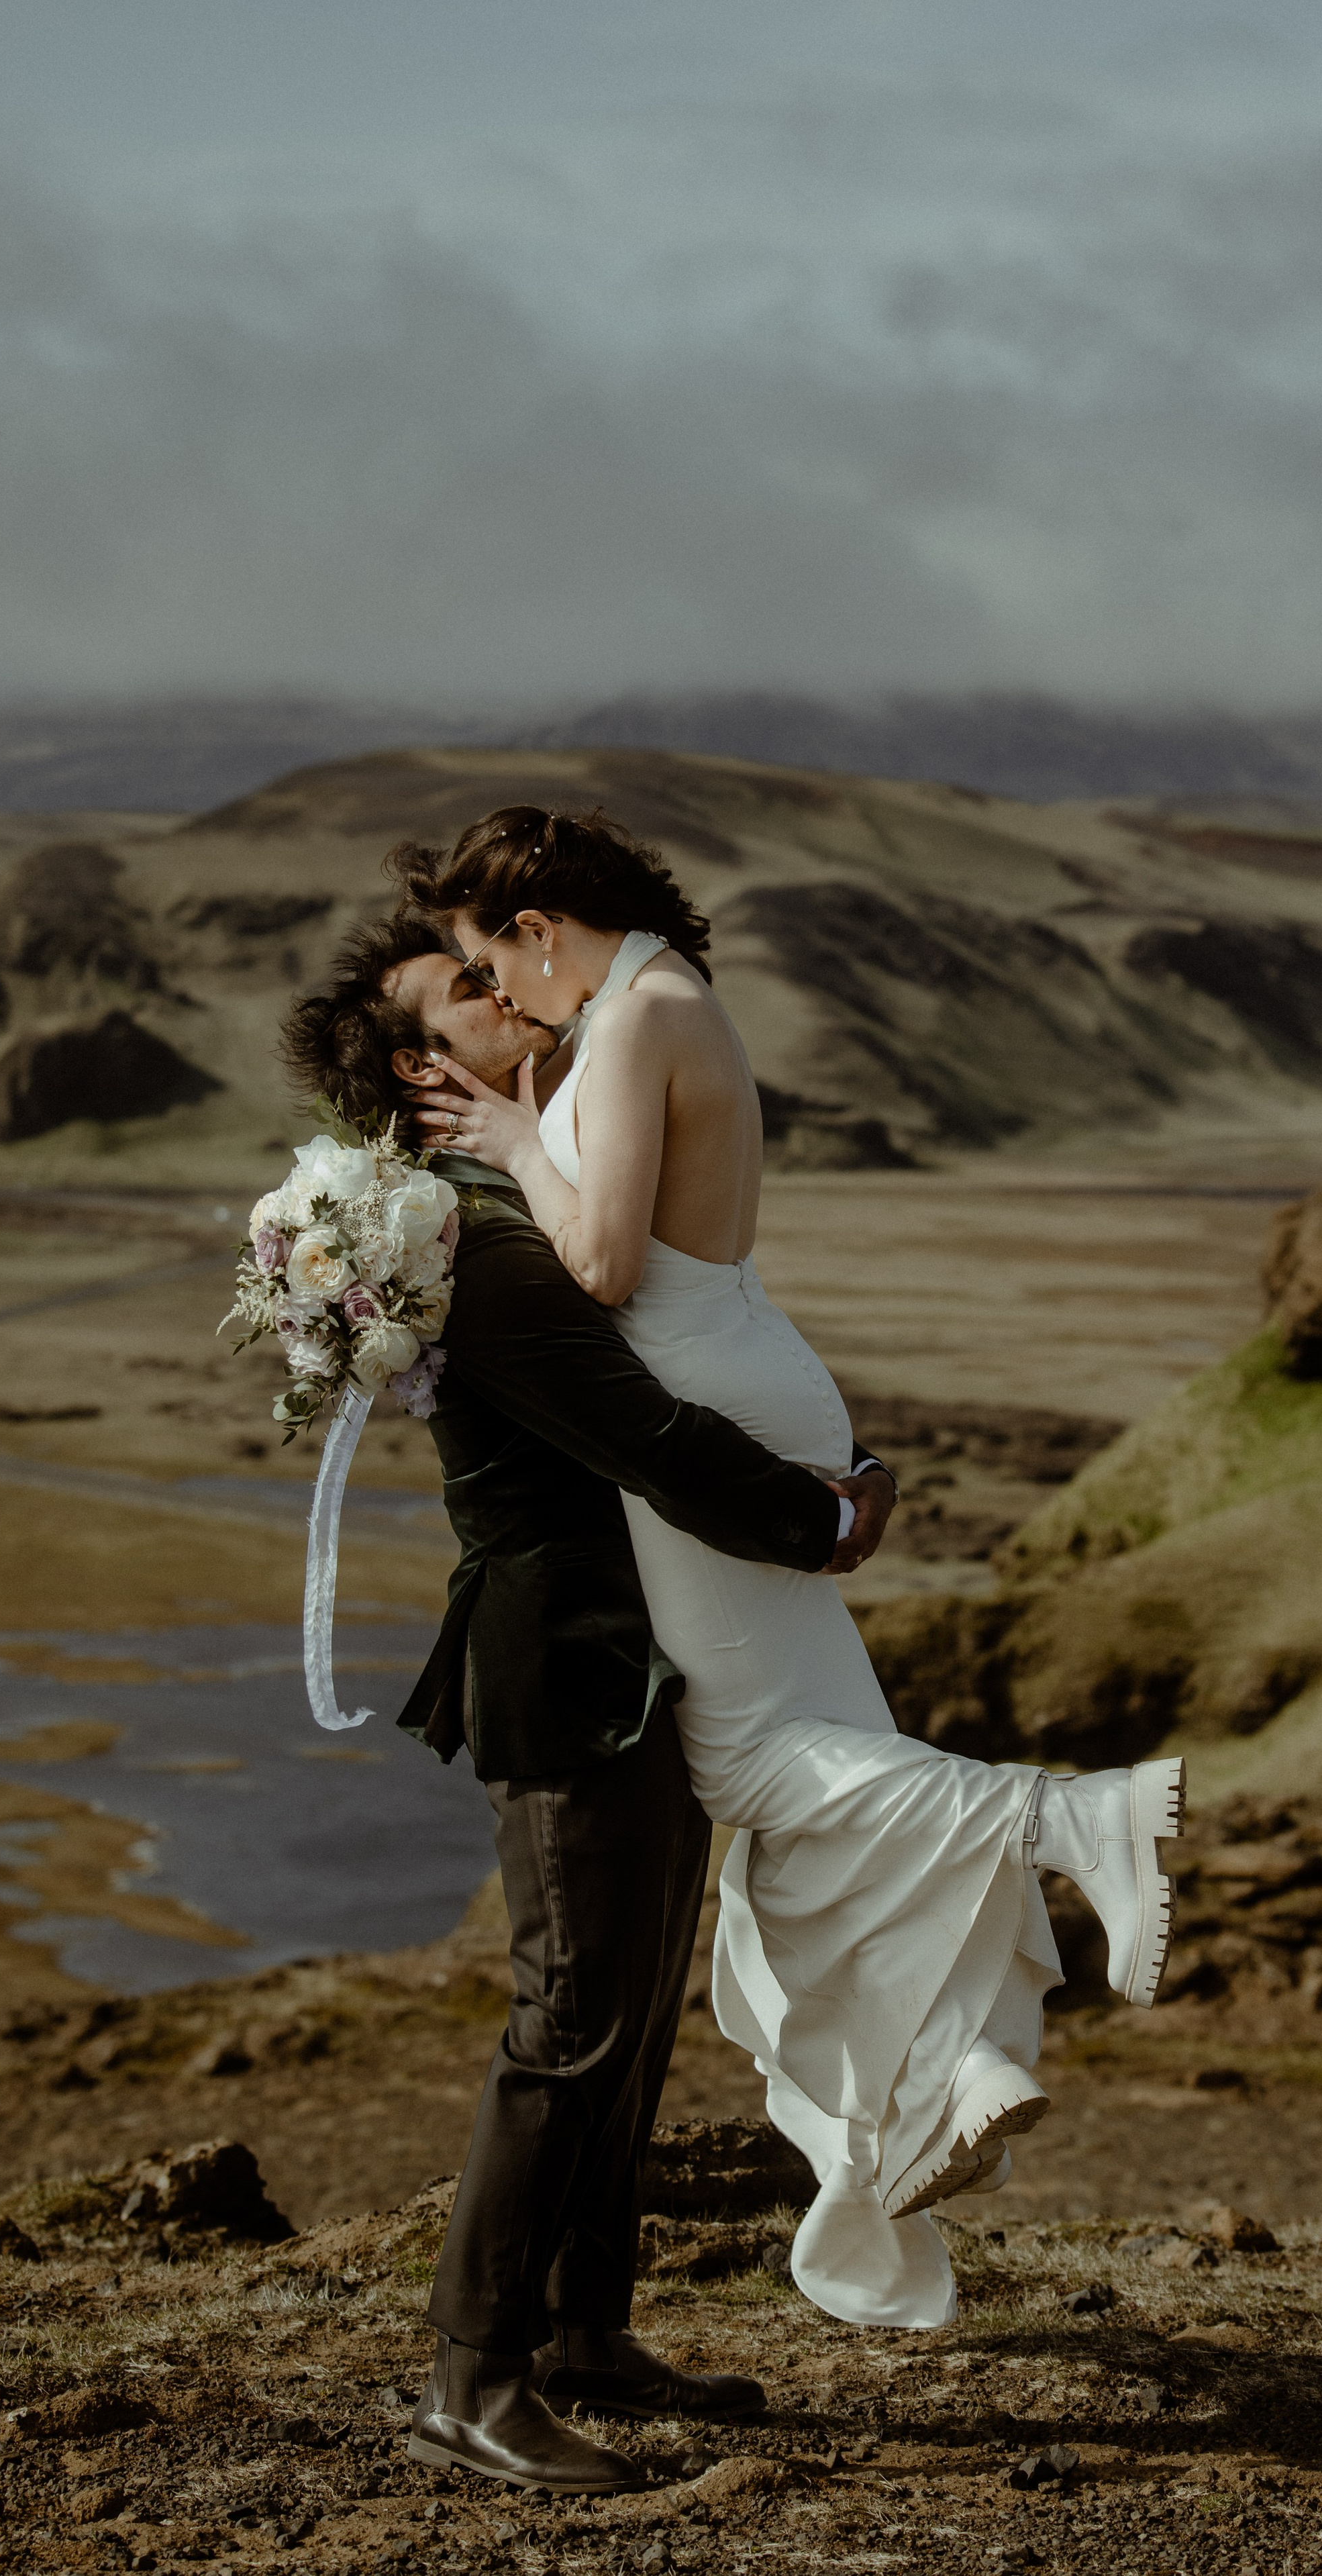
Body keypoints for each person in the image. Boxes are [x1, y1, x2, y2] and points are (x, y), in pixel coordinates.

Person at [398, 806, 1187, 2333]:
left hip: (702, 1399)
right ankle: (961, 2065)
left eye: (497, 960)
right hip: (743, 1373)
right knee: (837, 1775)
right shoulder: (642, 1005)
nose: (502, 997)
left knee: (759, 1771)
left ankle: (1076, 1815)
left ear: (539, 928)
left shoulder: (636, 1013)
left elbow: (608, 1268)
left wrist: (506, 1143)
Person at [280, 918, 899, 2494]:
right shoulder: (471, 1242)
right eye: (468, 994)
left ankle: (582, 2331)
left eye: (493, 966)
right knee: (566, 2019)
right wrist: (821, 1521)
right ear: (427, 1071)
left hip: (640, 1658)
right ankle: (469, 2376)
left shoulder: (504, 1201)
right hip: (569, 1669)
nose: (507, 992)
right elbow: (645, 1432)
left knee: (622, 2023)